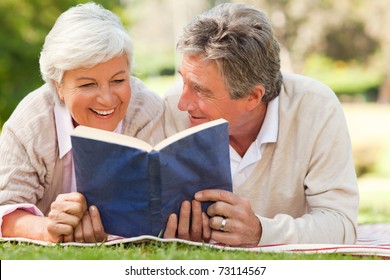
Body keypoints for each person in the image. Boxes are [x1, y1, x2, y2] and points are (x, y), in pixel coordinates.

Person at [163, 3, 359, 247]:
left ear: (253, 97)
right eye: (184, 80)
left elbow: (341, 223)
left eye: (201, 91)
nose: (183, 103)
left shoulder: (315, 108)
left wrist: (261, 232)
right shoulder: (171, 107)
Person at [0, 2, 165, 243]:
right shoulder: (31, 122)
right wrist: (48, 228)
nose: (107, 99)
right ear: (59, 86)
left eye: (118, 80)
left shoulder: (145, 110)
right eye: (87, 84)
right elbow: (6, 210)